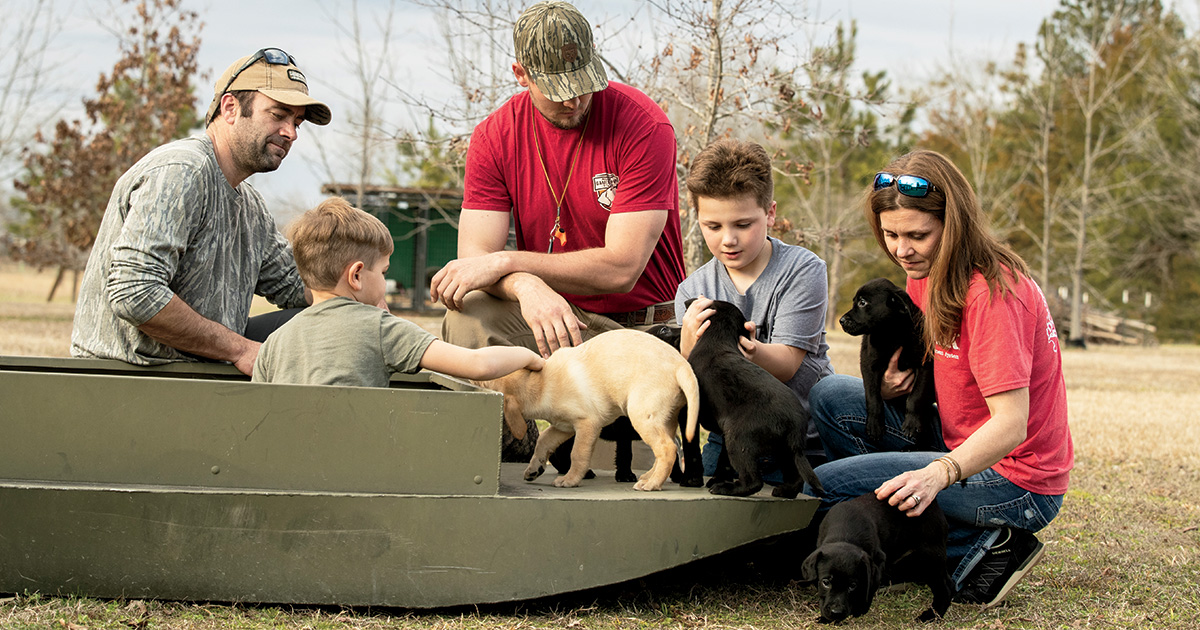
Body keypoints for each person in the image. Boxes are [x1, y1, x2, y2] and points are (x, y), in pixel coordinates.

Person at [807, 149, 1074, 609]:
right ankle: (936, 536)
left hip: (1017, 479)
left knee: (829, 489)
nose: (901, 249)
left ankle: (980, 551)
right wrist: (891, 389)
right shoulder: (923, 273)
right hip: (951, 439)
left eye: (917, 235)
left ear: (954, 226)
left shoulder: (993, 293)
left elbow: (1011, 424)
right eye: (890, 234)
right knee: (830, 395)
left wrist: (938, 474)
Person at [430, 0, 685, 361]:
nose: (574, 100)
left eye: (582, 83)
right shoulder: (494, 136)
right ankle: (511, 419)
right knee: (468, 318)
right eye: (558, 89)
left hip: (639, 325)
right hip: (554, 314)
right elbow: (474, 262)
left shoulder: (644, 125)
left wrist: (507, 263)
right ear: (521, 74)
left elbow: (621, 269)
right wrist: (525, 283)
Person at [71, 48, 330, 375]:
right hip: (129, 380)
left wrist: (357, 296)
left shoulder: (249, 205)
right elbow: (135, 291)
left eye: (296, 122)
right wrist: (239, 348)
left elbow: (296, 285)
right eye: (278, 115)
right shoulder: (182, 172)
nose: (290, 132)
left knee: (329, 326)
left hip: (194, 376)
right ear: (231, 108)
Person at [253, 198, 544, 387]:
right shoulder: (381, 327)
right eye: (383, 272)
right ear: (356, 275)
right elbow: (477, 365)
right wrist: (528, 358)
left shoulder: (274, 342)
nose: (384, 281)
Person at [674, 138, 834, 478]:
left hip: (798, 438)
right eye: (713, 227)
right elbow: (694, 384)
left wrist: (742, 350)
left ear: (771, 213)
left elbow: (788, 364)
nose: (728, 239)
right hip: (730, 436)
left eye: (743, 225)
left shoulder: (803, 269)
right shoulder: (693, 291)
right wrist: (687, 348)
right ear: (697, 219)